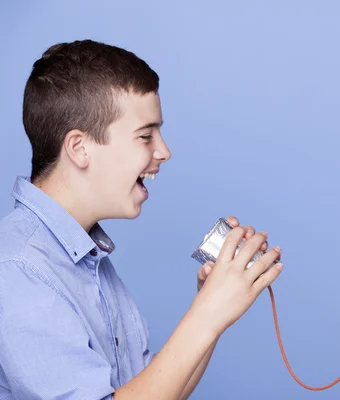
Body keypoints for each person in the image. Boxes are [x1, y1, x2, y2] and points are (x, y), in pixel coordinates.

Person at [0, 39, 284, 400]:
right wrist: (207, 315)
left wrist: (212, 310)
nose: (164, 151)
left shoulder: (91, 264)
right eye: (146, 136)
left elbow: (157, 392)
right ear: (79, 147)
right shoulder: (17, 269)